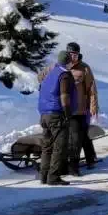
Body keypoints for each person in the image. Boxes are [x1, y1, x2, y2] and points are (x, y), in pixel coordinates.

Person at [37, 50, 76, 185]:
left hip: (44, 114)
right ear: (68, 62)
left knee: (47, 147)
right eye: (71, 61)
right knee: (59, 147)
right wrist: (67, 112)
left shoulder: (50, 73)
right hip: (56, 115)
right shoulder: (64, 75)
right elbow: (64, 95)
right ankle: (53, 177)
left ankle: (43, 176)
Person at [65, 41, 101, 172]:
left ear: (79, 55)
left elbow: (92, 89)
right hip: (66, 109)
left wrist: (93, 107)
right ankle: (91, 157)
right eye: (71, 54)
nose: (73, 57)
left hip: (81, 109)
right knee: (81, 135)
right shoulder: (63, 66)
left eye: (75, 54)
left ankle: (82, 160)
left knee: (80, 134)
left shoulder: (84, 68)